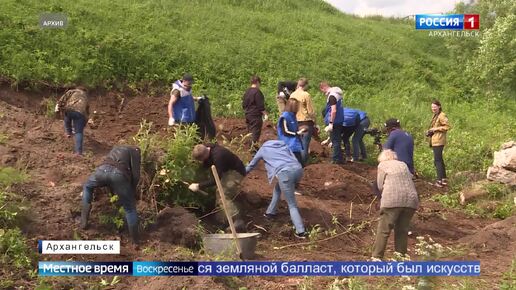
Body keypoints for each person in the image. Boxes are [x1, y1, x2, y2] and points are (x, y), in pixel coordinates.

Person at [245, 140, 307, 239]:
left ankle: (301, 232)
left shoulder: (263, 149)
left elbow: (251, 165)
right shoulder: (283, 145)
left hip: (284, 173)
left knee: (292, 204)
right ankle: (270, 212)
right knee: (278, 188)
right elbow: (293, 157)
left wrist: (241, 173)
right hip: (298, 170)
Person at [81, 146, 141, 244]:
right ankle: (135, 241)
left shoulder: (116, 148)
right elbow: (136, 175)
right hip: (118, 175)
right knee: (129, 208)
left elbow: (109, 165)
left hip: (101, 171)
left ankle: (83, 223)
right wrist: (131, 191)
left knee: (87, 187)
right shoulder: (135, 152)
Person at [371, 150, 419, 259]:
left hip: (392, 201)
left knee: (384, 230)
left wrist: (382, 197)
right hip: (411, 201)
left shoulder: (382, 165)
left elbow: (379, 185)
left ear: (382, 158)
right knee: (402, 231)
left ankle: (377, 257)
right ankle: (400, 259)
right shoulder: (403, 165)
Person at [190, 144, 247, 231]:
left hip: (236, 172)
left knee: (222, 194)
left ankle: (237, 220)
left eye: (201, 160)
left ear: (205, 155)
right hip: (226, 170)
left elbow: (215, 180)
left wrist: (199, 185)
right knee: (219, 198)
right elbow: (205, 165)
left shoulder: (218, 157)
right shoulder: (207, 147)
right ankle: (226, 221)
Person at [290, 78, 317, 165]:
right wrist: (315, 122)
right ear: (305, 85)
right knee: (304, 145)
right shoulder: (306, 95)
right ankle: (303, 165)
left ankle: (295, 163)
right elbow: (311, 111)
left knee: (297, 144)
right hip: (305, 122)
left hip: (295, 122)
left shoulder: (292, 95)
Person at [56, 87, 89, 155]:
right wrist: (84, 123)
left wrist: (58, 108)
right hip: (80, 113)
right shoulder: (86, 97)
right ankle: (78, 152)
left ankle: (68, 132)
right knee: (78, 132)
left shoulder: (72, 91)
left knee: (67, 116)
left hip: (69, 109)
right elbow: (87, 112)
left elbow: (62, 100)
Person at [427, 100, 450, 187]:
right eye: (432, 107)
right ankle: (443, 179)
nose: (433, 109)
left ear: (439, 106)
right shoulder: (435, 115)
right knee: (439, 159)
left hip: (439, 141)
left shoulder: (442, 115)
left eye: (435, 107)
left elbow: (447, 126)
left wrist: (435, 129)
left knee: (437, 161)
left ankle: (439, 180)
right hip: (435, 140)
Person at [320, 81, 344, 164]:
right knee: (337, 139)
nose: (323, 93)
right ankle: (340, 159)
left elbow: (333, 110)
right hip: (339, 119)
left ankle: (335, 160)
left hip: (335, 120)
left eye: (322, 90)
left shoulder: (332, 96)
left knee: (335, 140)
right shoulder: (338, 94)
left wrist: (331, 123)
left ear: (323, 88)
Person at [277, 99, 306, 166]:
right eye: (297, 106)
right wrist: (297, 133)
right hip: (288, 144)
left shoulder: (293, 116)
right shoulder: (284, 117)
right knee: (297, 163)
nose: (298, 108)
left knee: (299, 163)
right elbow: (285, 131)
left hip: (294, 143)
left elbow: (294, 128)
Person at [242, 75, 268, 146]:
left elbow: (243, 104)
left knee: (250, 132)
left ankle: (250, 147)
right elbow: (260, 106)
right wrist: (265, 114)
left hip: (248, 114)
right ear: (257, 82)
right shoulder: (257, 92)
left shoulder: (247, 92)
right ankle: (253, 150)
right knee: (255, 133)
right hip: (255, 116)